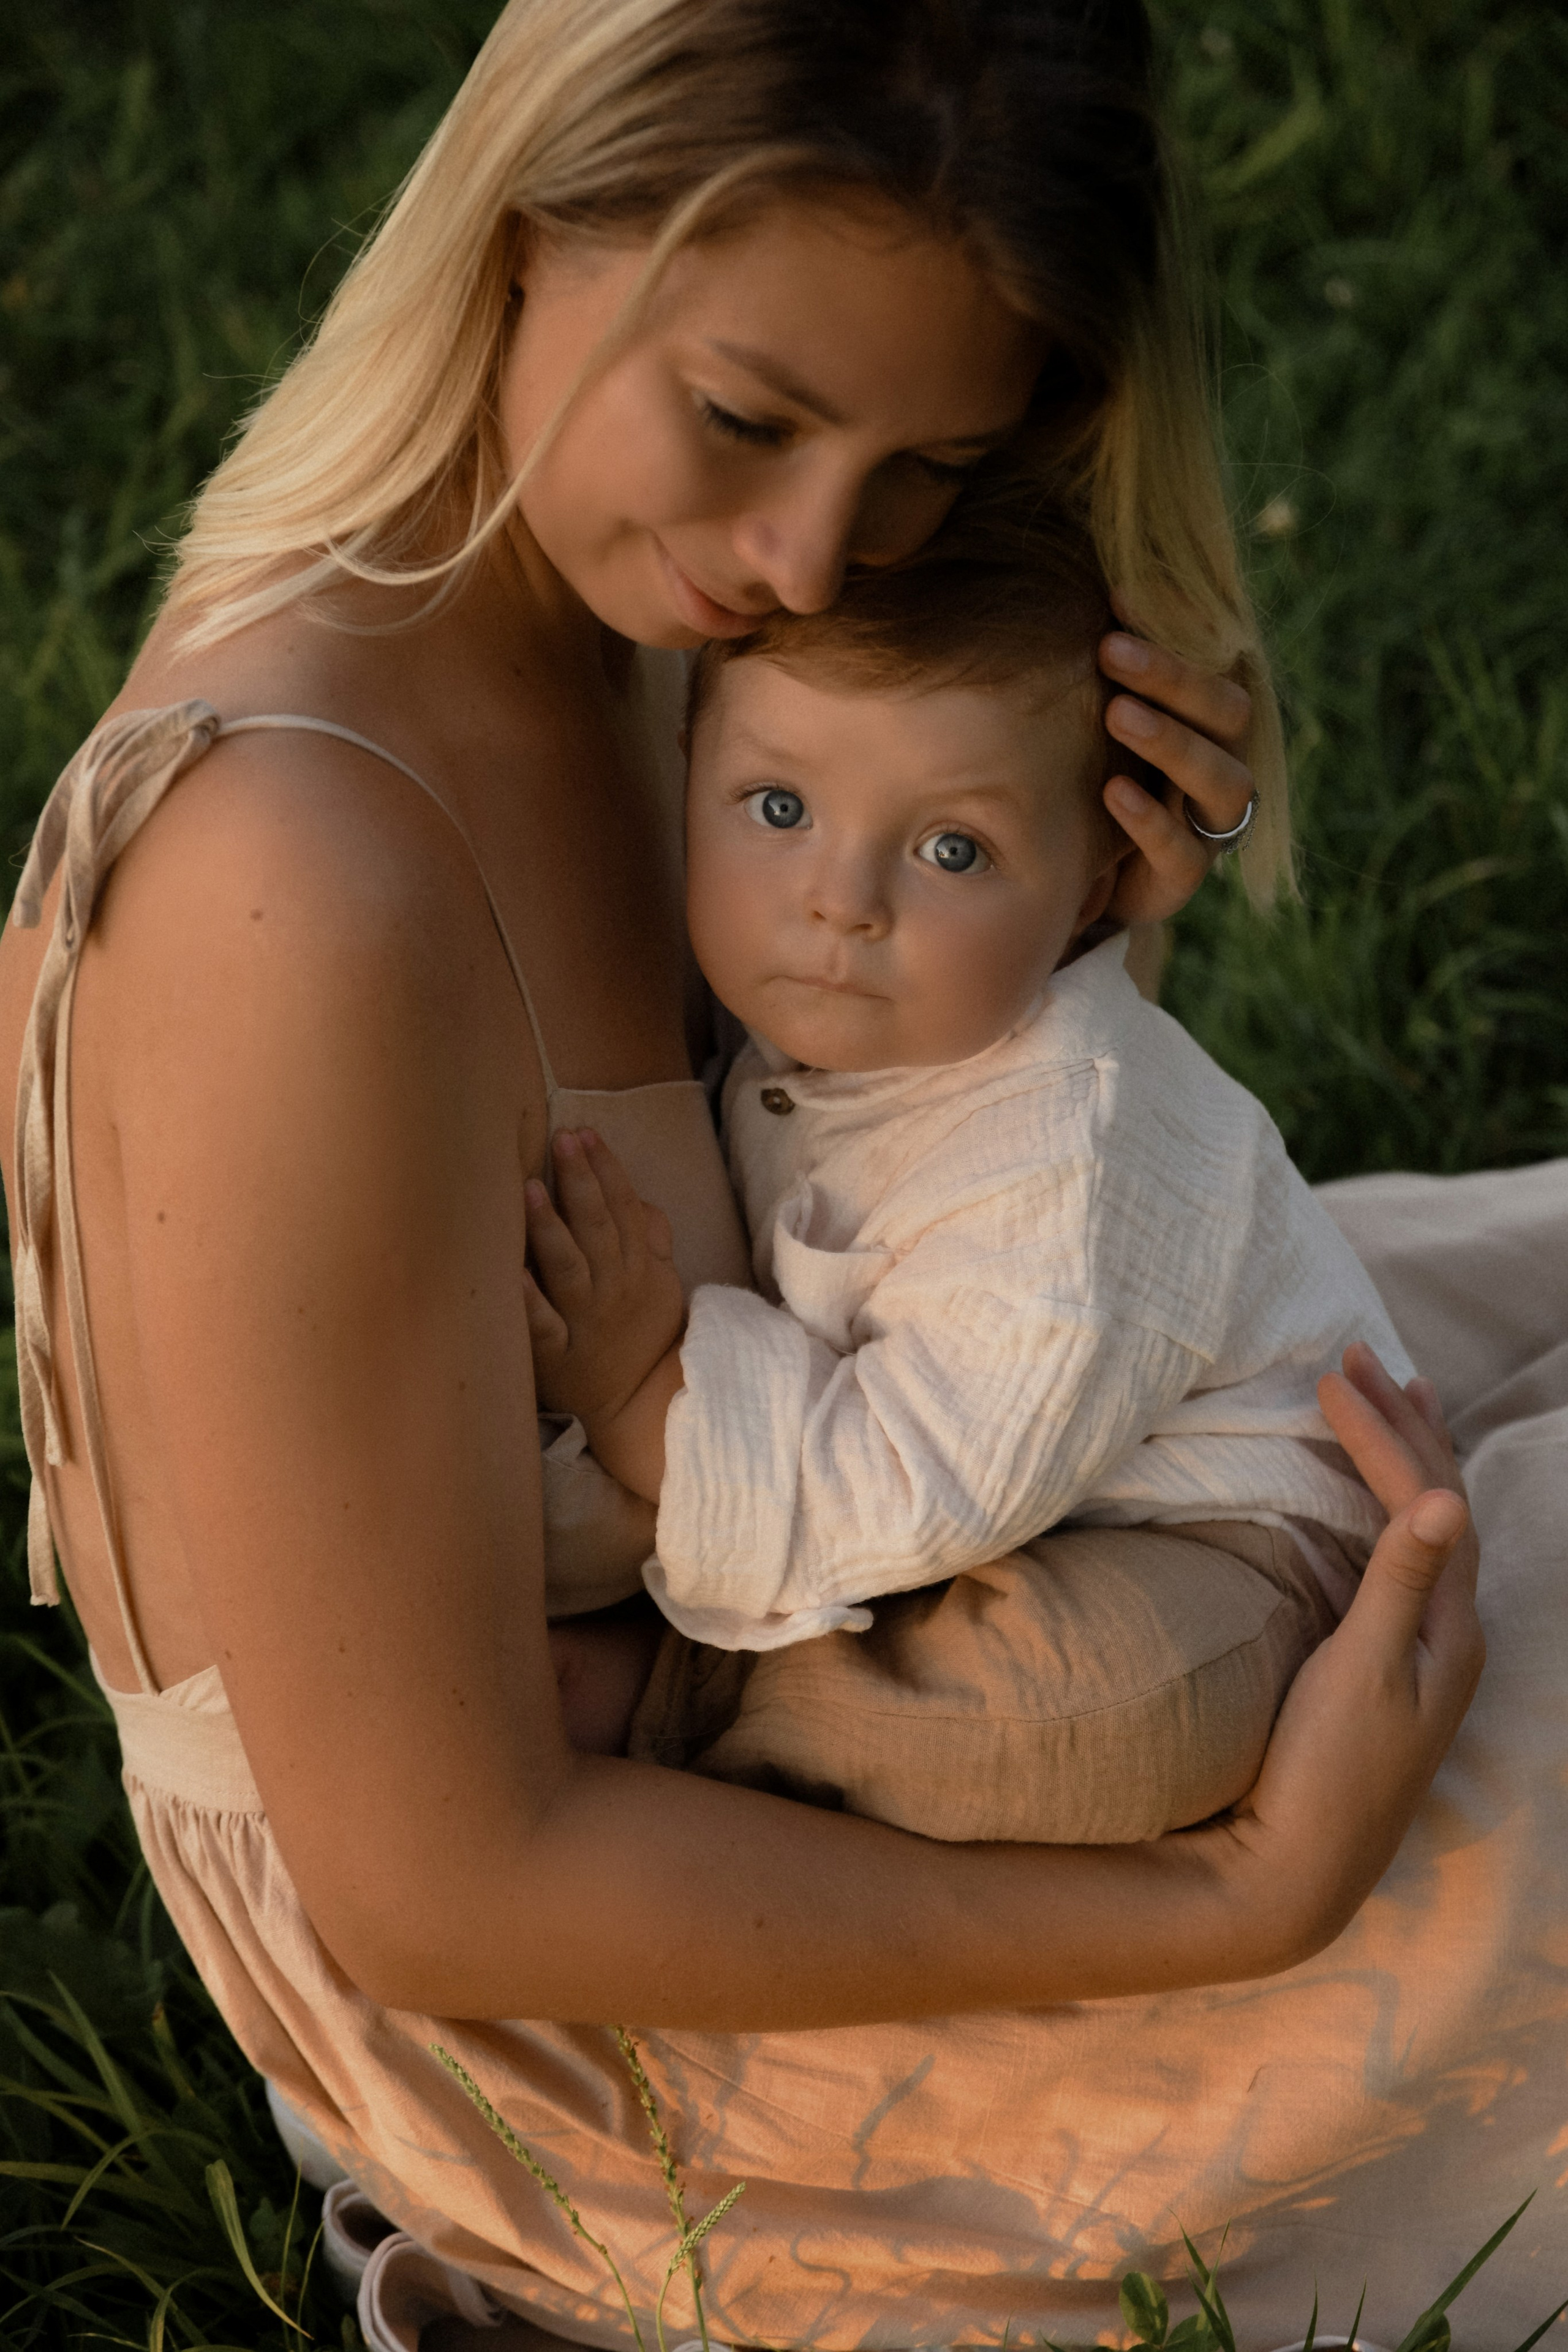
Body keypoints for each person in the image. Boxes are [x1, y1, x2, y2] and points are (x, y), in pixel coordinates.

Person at [0, 1, 1505, 2343]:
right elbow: (447, 1890)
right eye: (747, 417)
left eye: (929, 469)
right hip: (628, 2013)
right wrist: (1239, 1906)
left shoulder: (646, 612)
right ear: (527, 226)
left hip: (858, 1534)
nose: (812, 556)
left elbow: (891, 1192)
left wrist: (1057, 904)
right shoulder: (292, 878)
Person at [524, 516, 1406, 1845]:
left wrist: (643, 1382)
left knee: (1091, 1721)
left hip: (1221, 1544)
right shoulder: (858, 1008)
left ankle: (690, 1706)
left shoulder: (1063, 1165)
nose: (841, 901)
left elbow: (913, 1478)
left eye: (951, 851)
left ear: (1097, 886)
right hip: (998, 1474)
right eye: (778, 809)